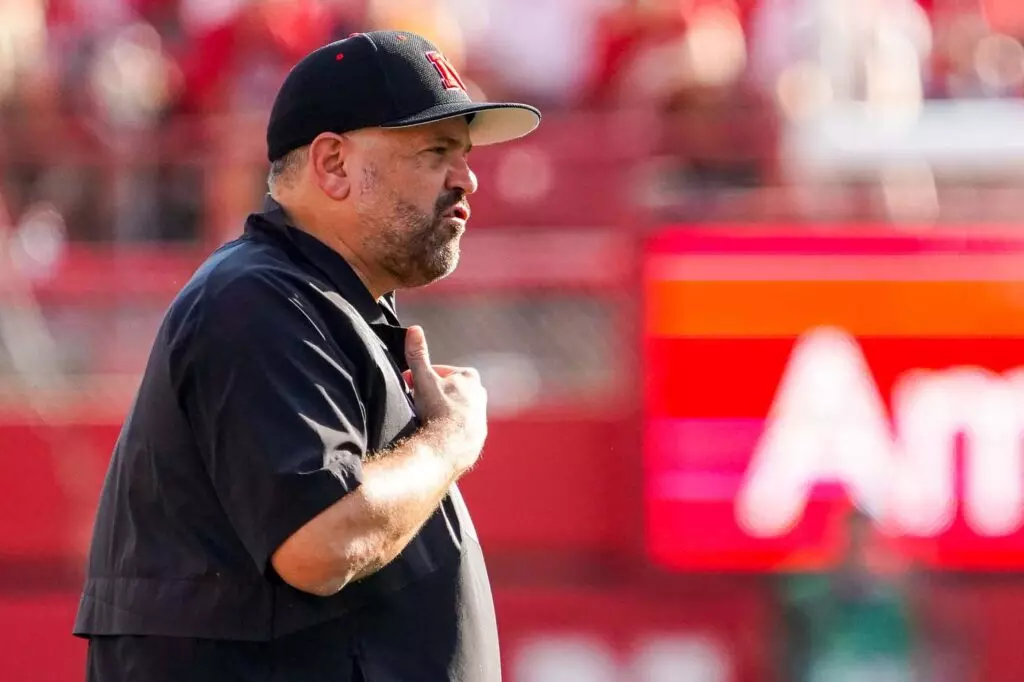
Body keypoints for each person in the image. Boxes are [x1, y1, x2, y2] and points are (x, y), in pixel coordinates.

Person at [72, 30, 541, 682]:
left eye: (464, 155)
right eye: (436, 151)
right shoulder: (256, 300)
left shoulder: (322, 304)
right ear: (333, 165)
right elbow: (322, 543)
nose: (468, 179)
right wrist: (449, 441)